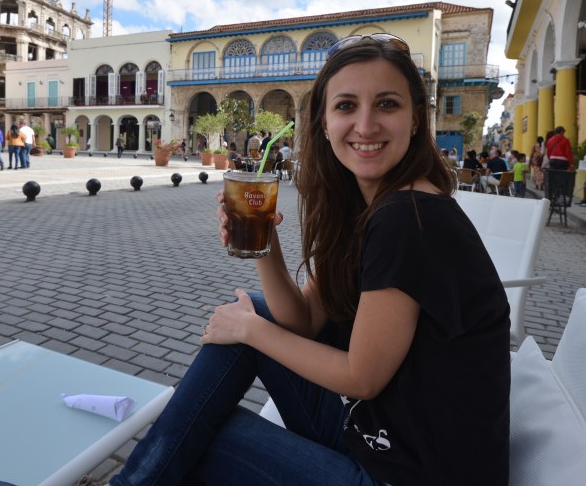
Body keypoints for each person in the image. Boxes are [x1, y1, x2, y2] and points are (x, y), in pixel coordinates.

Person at [107, 33, 510, 486]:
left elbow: (361, 378)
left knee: (196, 430)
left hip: (412, 473)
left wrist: (251, 331)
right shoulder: (370, 206)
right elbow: (302, 321)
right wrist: (264, 240)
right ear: (323, 122)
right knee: (252, 322)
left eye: (387, 104)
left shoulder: (408, 217)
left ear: (416, 119)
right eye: (346, 106)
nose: (365, 125)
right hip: (381, 438)